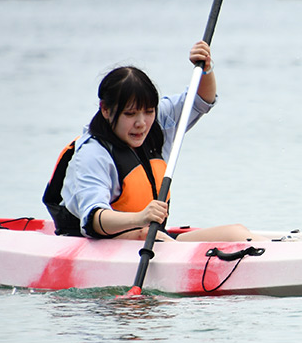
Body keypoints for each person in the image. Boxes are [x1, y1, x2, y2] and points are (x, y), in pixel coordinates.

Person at [44, 40, 262, 242]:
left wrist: (205, 69)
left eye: (148, 111)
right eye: (130, 114)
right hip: (95, 242)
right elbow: (94, 219)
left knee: (236, 233)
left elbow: (201, 100)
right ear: (106, 110)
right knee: (150, 234)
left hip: (151, 237)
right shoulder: (92, 154)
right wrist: (140, 218)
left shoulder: (157, 121)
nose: (141, 123)